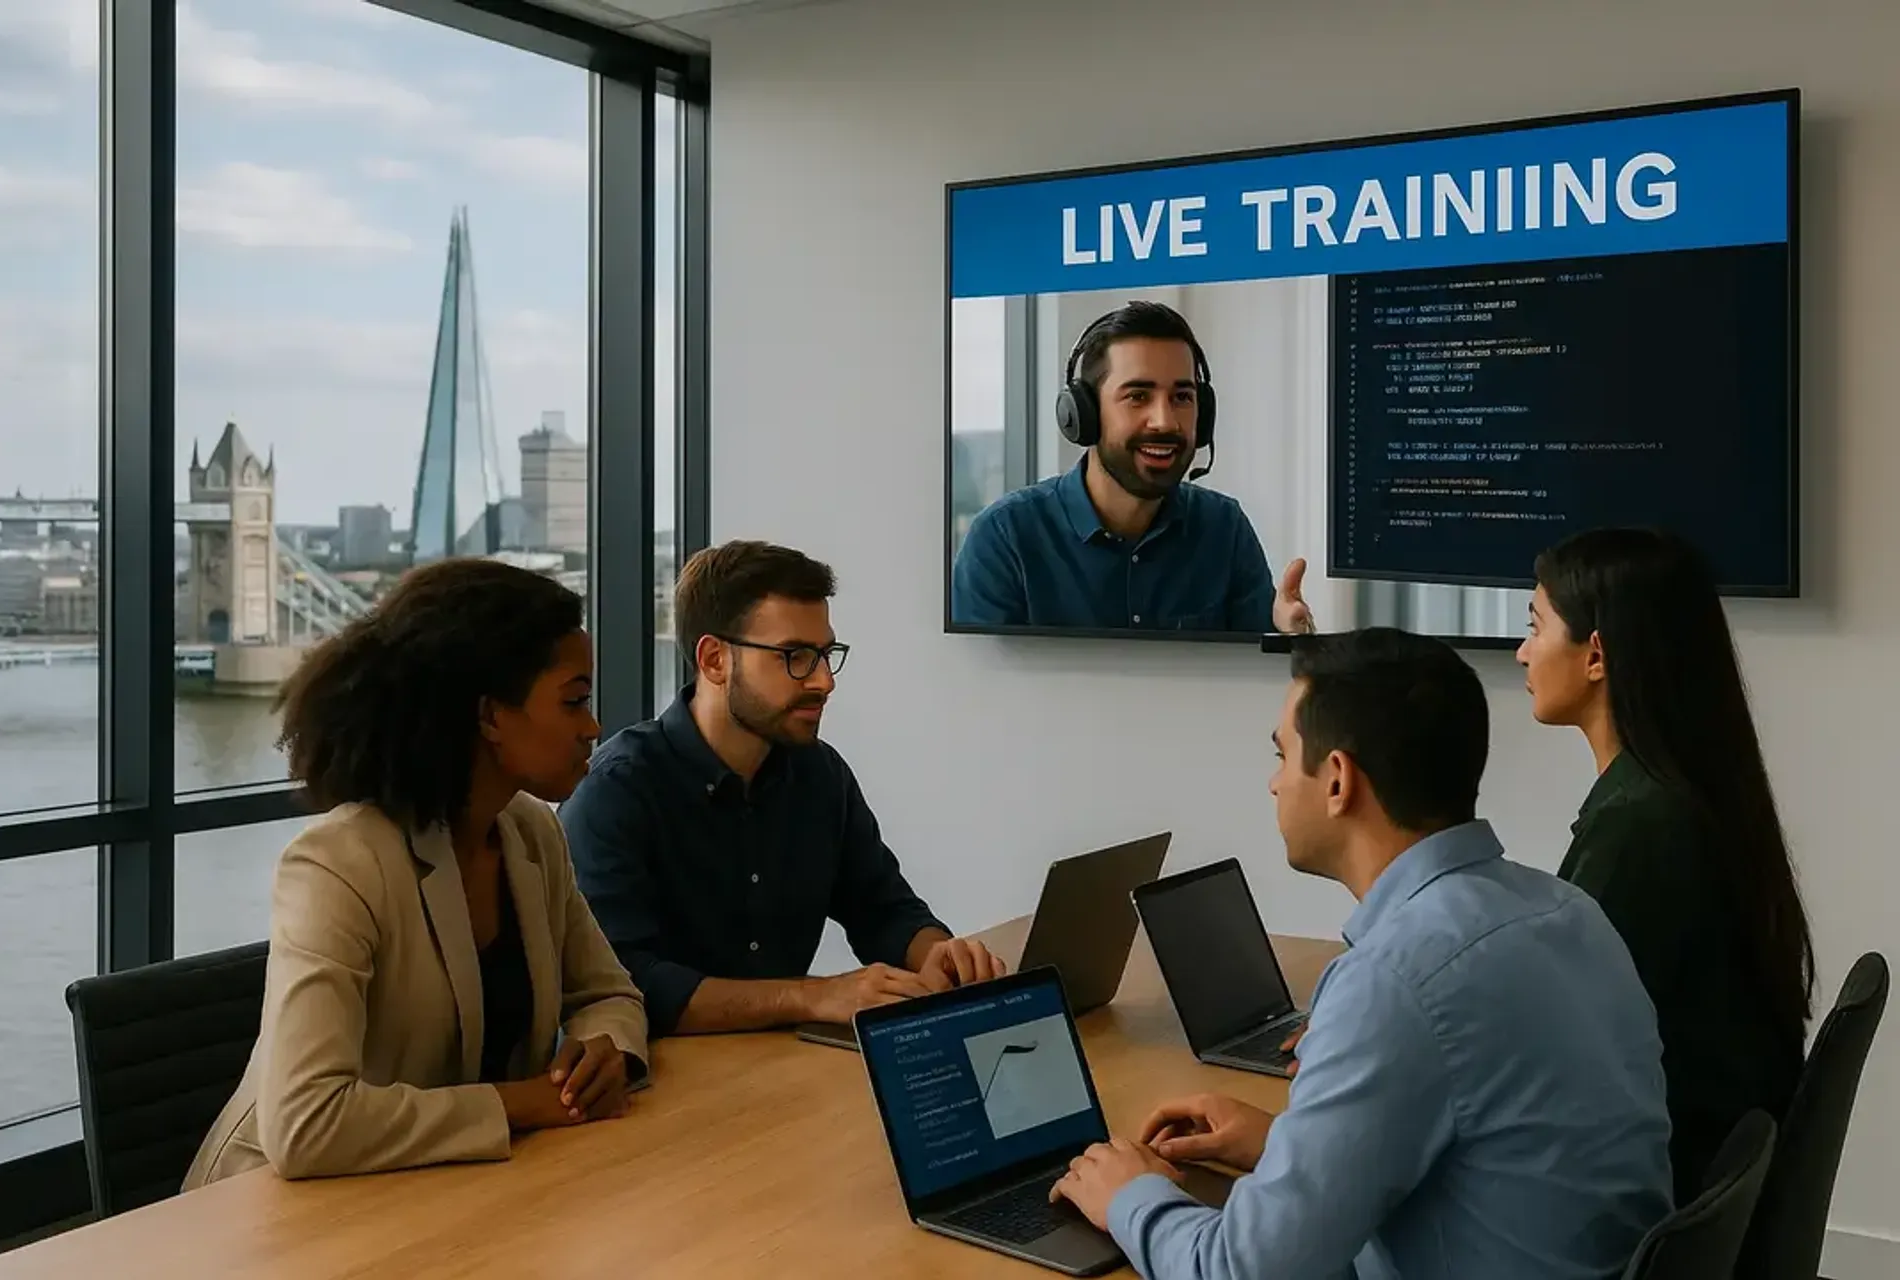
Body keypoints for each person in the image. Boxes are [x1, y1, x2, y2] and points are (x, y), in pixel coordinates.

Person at [1048, 628, 1672, 1280]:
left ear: (1338, 780)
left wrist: (1132, 1195)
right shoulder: (1568, 912)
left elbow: (1240, 1271)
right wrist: (1287, 1148)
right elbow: (1498, 1154)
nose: (1272, 783)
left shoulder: (1396, 980)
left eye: (1283, 755)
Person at [184, 559, 650, 1190]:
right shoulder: (338, 864)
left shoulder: (532, 833)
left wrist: (606, 1052)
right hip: (273, 1215)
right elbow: (304, 1124)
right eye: (574, 701)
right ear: (489, 716)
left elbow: (607, 994)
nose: (593, 727)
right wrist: (524, 1103)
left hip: (447, 1194)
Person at [560, 540, 1004, 1038]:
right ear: (714, 661)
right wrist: (812, 995)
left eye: (825, 654)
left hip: (781, 1067)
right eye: (795, 656)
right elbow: (630, 985)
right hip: (665, 1082)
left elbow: (881, 907)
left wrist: (939, 954)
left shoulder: (819, 774)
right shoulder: (617, 791)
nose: (823, 681)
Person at [1519, 526, 1814, 1200]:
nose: (1522, 651)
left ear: (1596, 655)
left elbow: (1553, 1037)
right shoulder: (1685, 791)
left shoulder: (1641, 824)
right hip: (1704, 1190)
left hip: (1645, 1192)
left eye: (1534, 627)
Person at [950, 300, 1314, 635]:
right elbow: (975, 698)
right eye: (1138, 396)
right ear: (1084, 414)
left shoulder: (1224, 529)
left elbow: (1252, 691)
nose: (1165, 421)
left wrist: (1289, 646)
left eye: (1182, 397)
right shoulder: (1005, 539)